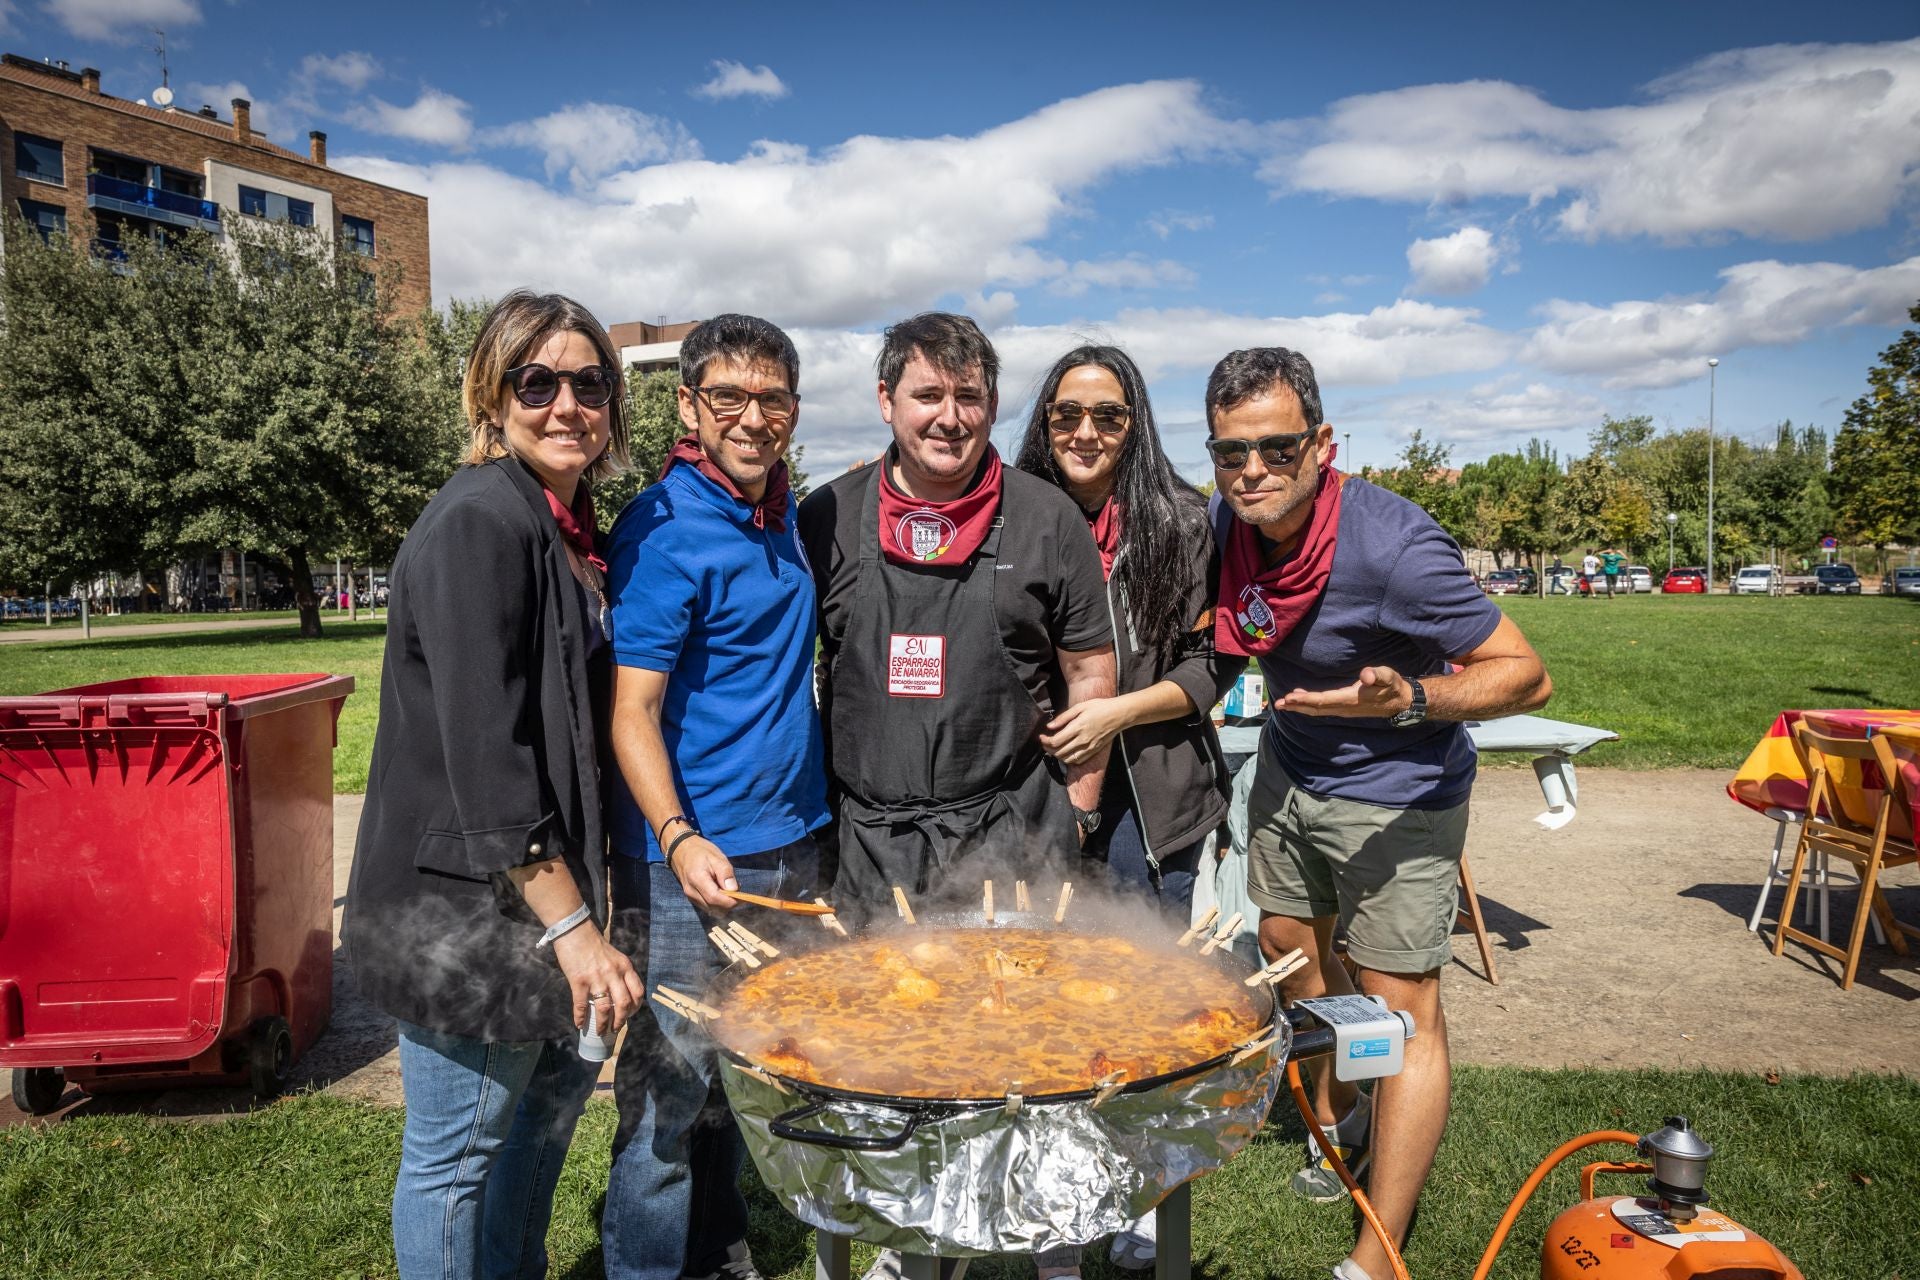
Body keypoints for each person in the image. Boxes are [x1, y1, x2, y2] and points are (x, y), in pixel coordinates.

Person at [1203, 347, 1551, 1280]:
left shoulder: (1393, 546)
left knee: (1401, 1014)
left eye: (1277, 448)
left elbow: (1525, 673)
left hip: (1399, 796)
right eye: (1231, 453)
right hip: (1289, 772)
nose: (1253, 472)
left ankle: (1378, 1255)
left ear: (1322, 444)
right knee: (1290, 955)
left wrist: (1408, 700)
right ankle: (1350, 1114)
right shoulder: (1227, 523)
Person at [343, 290, 644, 1280]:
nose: (567, 403)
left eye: (588, 382)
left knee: (530, 1144)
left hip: (538, 903)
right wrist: (575, 929)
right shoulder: (482, 519)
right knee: (455, 1163)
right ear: (492, 392)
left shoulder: (558, 521)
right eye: (538, 381)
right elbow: (490, 753)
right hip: (469, 913)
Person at [601, 314, 829, 1280]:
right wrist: (678, 834)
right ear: (689, 407)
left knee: (741, 1074)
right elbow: (631, 712)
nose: (751, 417)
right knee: (667, 1093)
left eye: (771, 398)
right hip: (688, 863)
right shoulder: (662, 529)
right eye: (727, 397)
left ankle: (717, 1248)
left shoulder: (783, 515)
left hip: (791, 846)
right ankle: (649, 1265)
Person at [1013, 345, 1238, 1272]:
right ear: (1045, 419)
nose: (1086, 432)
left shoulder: (1186, 521)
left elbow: (1213, 664)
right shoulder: (1016, 508)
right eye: (1068, 413)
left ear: (1135, 422)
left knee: (1142, 1005)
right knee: (1048, 1006)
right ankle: (1056, 1210)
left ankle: (1138, 1199)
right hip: (1040, 795)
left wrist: (1113, 711)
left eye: (1108, 415)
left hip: (1155, 798)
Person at [799, 312, 1117, 911]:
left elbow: (1090, 674)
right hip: (868, 849)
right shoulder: (828, 515)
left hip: (1015, 839)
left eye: (968, 396)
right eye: (927, 395)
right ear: (886, 402)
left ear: (992, 406)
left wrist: (1079, 810)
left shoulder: (1047, 518)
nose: (950, 417)